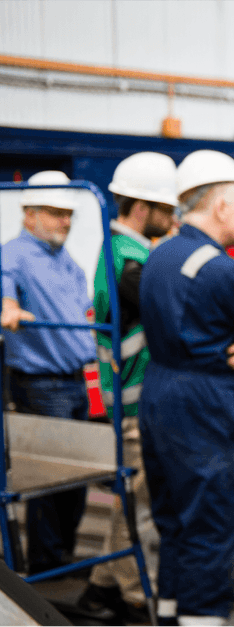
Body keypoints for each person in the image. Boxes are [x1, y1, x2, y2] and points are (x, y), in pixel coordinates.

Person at [138, 150, 234, 627]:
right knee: (213, 525)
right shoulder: (221, 269)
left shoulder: (159, 254)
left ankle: (170, 614)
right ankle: (202, 619)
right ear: (221, 206)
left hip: (159, 394)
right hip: (205, 405)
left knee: (175, 519)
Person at [76, 152, 178, 625]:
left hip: (128, 400)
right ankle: (135, 592)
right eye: (167, 208)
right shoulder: (132, 263)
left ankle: (98, 588)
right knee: (141, 502)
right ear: (141, 208)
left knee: (129, 498)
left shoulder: (120, 252)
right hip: (137, 403)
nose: (173, 217)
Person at [1, 170, 96, 575]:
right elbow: (4, 290)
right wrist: (7, 306)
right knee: (50, 479)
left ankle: (62, 556)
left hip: (75, 381)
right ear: (30, 213)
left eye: (68, 214)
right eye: (57, 213)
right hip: (42, 384)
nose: (65, 222)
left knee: (77, 478)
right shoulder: (13, 255)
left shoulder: (66, 260)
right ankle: (45, 560)